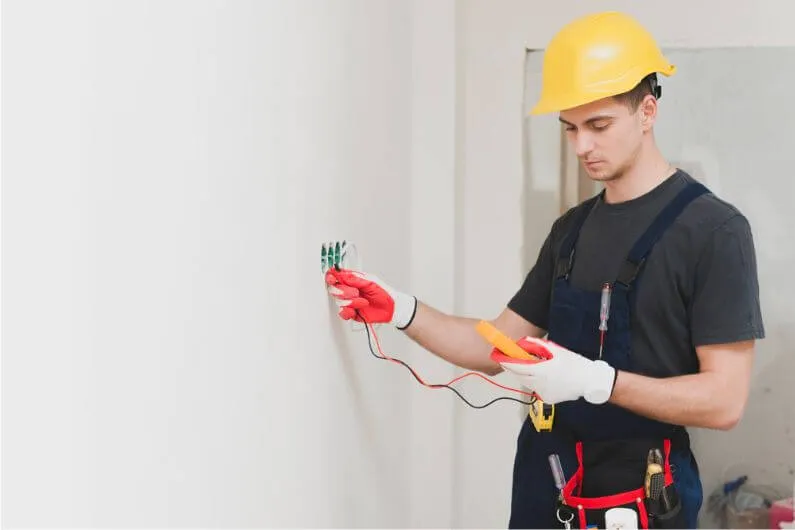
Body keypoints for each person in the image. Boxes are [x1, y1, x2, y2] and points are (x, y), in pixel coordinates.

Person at [325, 11, 764, 530]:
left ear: (648, 110)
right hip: (549, 481)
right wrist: (404, 311)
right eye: (570, 128)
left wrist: (596, 381)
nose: (581, 147)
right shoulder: (571, 232)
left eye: (598, 126)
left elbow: (724, 400)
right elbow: (495, 346)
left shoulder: (715, 232)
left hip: (643, 496)